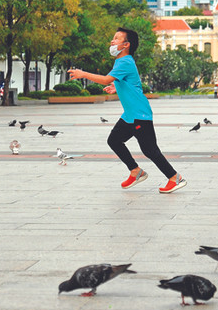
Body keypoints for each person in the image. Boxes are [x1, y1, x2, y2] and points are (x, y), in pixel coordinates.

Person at [68, 28, 186, 194]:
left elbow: (105, 79)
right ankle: (135, 171)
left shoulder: (125, 62)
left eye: (116, 39)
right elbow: (132, 83)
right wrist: (116, 87)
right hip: (130, 115)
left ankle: (175, 178)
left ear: (126, 45)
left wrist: (83, 74)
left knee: (150, 150)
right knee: (114, 140)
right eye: (113, 38)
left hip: (140, 114)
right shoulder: (122, 62)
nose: (112, 41)